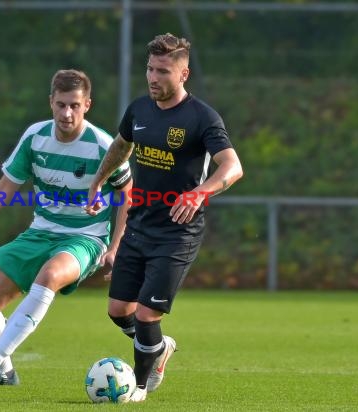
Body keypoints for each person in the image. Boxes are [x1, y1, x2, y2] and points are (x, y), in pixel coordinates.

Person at [0, 69, 132, 387]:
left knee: (50, 276)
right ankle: (6, 372)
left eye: (75, 106)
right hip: (40, 232)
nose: (67, 113)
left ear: (87, 105)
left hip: (86, 237)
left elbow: (127, 195)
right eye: (61, 104)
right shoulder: (35, 137)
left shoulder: (102, 146)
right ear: (50, 102)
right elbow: (2, 192)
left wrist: (115, 247)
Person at [86, 33, 243, 402]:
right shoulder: (139, 109)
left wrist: (200, 191)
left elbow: (232, 166)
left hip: (178, 233)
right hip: (139, 225)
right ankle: (158, 347)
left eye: (163, 71)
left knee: (145, 315)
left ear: (183, 74)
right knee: (117, 310)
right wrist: (98, 181)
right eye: (149, 69)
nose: (153, 78)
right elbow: (121, 146)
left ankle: (138, 388)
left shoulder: (202, 118)